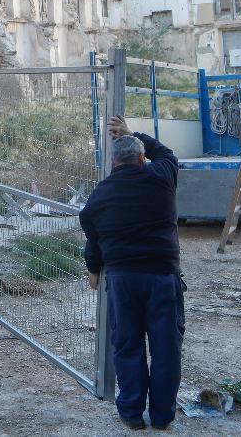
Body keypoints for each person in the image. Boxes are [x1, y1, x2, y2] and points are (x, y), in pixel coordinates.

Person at [79, 115, 183, 431]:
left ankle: (132, 413)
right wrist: (133, 132)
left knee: (128, 346)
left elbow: (92, 233)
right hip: (162, 277)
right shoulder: (161, 177)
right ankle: (162, 417)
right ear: (141, 159)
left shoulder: (101, 195)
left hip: (123, 281)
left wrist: (93, 268)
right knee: (166, 349)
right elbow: (167, 155)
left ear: (113, 163)